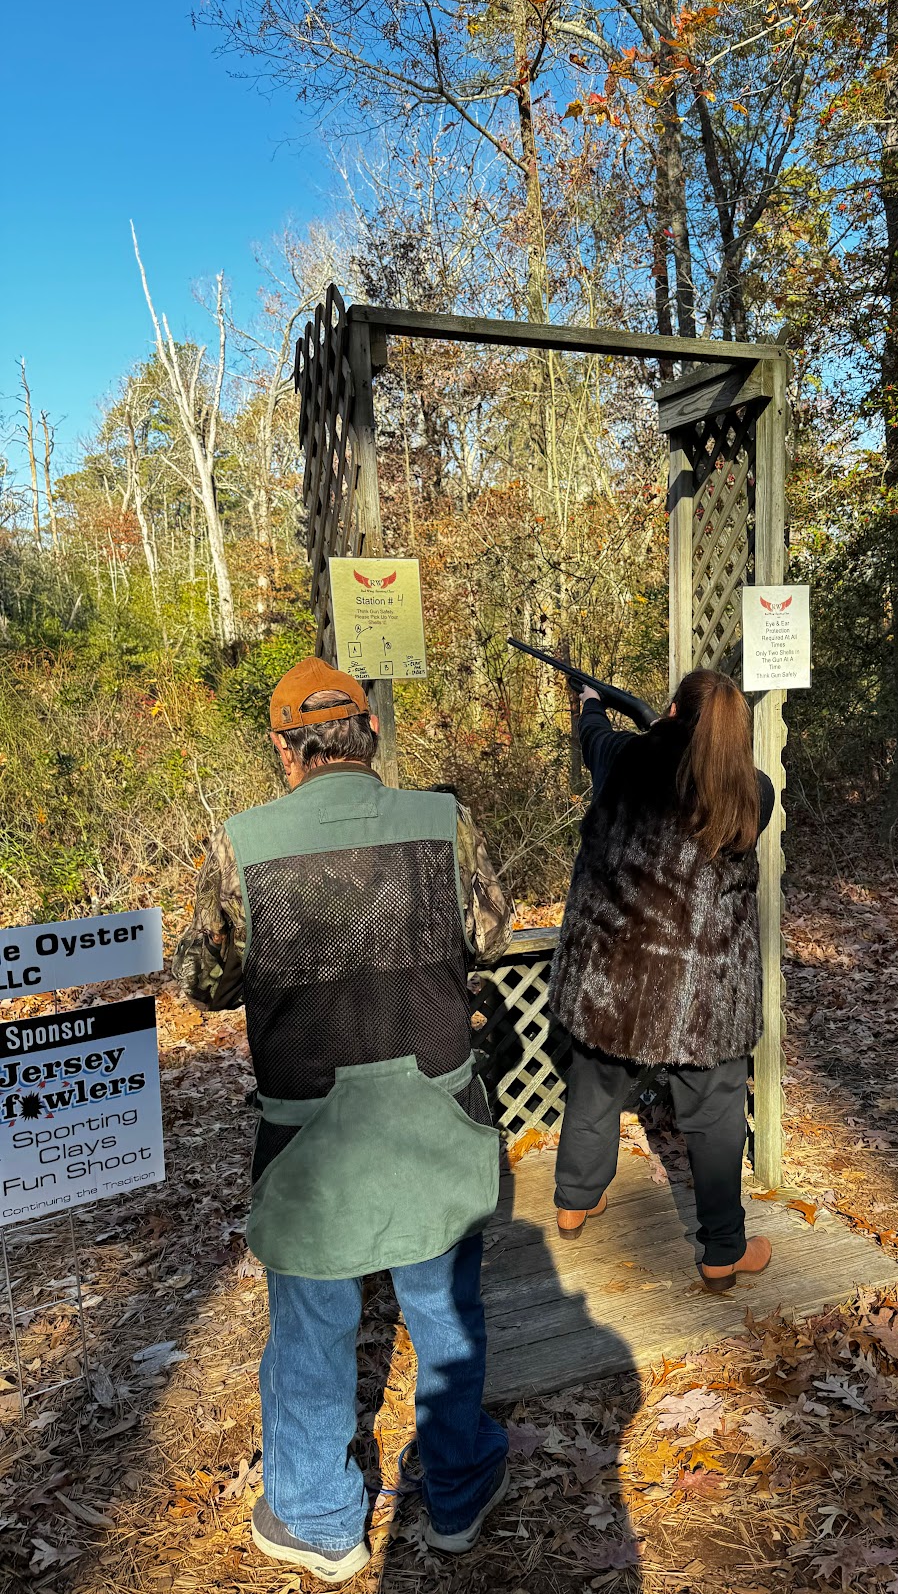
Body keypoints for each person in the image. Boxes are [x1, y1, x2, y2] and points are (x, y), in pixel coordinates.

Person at [173, 657, 513, 1584]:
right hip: (434, 1119)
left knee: (313, 1326)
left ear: (286, 751)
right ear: (367, 735)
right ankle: (453, 1493)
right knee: (444, 1314)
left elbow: (205, 985)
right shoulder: (443, 822)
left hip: (307, 1138)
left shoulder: (240, 846)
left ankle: (322, 1520)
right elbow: (490, 932)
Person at [548, 668, 776, 1293]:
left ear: (673, 710)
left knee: (595, 1083)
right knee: (715, 1114)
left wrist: (592, 705)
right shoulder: (752, 790)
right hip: (705, 990)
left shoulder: (626, 758)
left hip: (612, 976)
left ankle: (574, 1201)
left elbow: (595, 735)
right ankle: (722, 1251)